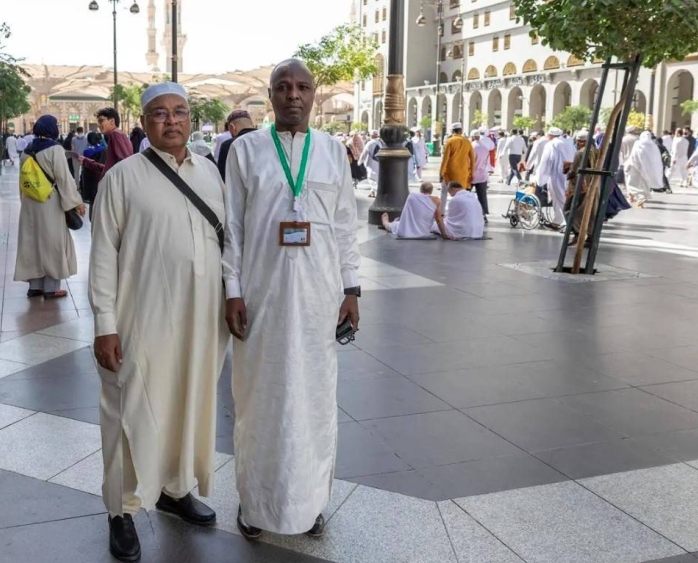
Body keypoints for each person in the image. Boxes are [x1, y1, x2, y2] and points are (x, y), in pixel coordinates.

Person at [89, 82, 229, 562]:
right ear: (144, 122)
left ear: (191, 119)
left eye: (180, 112)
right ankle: (121, 510)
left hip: (201, 318)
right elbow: (102, 255)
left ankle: (175, 486)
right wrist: (105, 324)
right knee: (129, 409)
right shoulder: (122, 178)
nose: (172, 121)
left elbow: (227, 241)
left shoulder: (209, 172)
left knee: (188, 401)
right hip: (141, 316)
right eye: (160, 113)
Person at [223, 59, 360, 540]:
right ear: (270, 96)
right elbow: (233, 228)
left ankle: (310, 503)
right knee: (259, 400)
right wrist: (233, 290)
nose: (293, 95)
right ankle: (255, 504)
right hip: (261, 297)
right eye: (283, 87)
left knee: (314, 401)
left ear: (314, 93)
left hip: (319, 298)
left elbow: (344, 224)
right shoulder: (245, 151)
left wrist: (351, 289)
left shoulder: (333, 151)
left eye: (302, 86)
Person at [14, 115, 85, 300]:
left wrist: (24, 201)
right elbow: (64, 178)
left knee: (33, 243)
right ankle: (51, 288)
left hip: (30, 203)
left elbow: (23, 180)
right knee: (52, 242)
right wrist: (76, 201)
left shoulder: (27, 150)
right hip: (49, 202)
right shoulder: (55, 149)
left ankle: (35, 286)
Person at [565, 129, 601, 242]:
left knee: (569, 210)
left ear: (582, 142)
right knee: (591, 212)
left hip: (581, 186)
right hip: (594, 184)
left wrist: (568, 171)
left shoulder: (580, 153)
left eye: (579, 141)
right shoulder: (596, 151)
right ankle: (590, 236)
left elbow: (575, 171)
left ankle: (577, 233)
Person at [81, 107, 134, 181]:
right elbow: (109, 168)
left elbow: (123, 164)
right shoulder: (120, 134)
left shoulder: (115, 134)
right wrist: (87, 162)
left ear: (112, 121)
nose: (98, 125)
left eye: (101, 121)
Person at [381, 182, 448, 239]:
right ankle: (395, 222)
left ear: (420, 189)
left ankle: (385, 222)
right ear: (431, 191)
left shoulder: (412, 196)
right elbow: (438, 219)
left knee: (392, 226)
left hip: (405, 232)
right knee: (397, 224)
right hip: (423, 234)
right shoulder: (437, 201)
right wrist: (444, 235)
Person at [536, 127, 568, 229]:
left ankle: (567, 224)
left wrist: (540, 178)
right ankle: (558, 221)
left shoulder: (551, 144)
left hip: (556, 175)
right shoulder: (568, 142)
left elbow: (545, 162)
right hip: (569, 174)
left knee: (560, 198)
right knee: (558, 199)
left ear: (550, 135)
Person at [439, 122, 475, 212]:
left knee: (444, 192)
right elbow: (472, 159)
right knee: (461, 193)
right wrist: (472, 173)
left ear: (452, 131)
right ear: (461, 131)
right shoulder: (467, 142)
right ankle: (461, 211)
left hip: (450, 172)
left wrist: (441, 173)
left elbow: (445, 159)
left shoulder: (449, 141)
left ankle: (442, 212)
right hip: (463, 172)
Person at [625, 131, 664, 208]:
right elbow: (657, 159)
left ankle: (639, 197)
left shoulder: (638, 144)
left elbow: (634, 155)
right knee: (644, 184)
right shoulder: (654, 146)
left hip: (635, 167)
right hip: (648, 169)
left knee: (632, 183)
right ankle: (640, 197)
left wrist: (628, 165)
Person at [217, 109, 258, 180]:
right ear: (252, 124)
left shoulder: (228, 145)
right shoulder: (268, 139)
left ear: (232, 127)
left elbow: (222, 177)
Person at [80, 131, 107, 213]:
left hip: (88, 178)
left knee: (92, 202)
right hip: (99, 177)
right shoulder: (103, 150)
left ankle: (92, 218)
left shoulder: (86, 151)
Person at [470, 129, 490, 222]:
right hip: (482, 175)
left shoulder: (471, 146)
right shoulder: (485, 147)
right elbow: (486, 162)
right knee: (482, 196)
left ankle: (467, 213)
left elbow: (469, 161)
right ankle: (483, 214)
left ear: (473, 137)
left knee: (466, 194)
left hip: (471, 175)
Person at [359, 130, 382, 196]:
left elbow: (364, 153)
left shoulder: (370, 143)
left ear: (371, 135)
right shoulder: (380, 143)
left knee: (371, 178)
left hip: (371, 164)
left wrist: (360, 162)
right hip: (379, 163)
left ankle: (378, 191)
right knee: (377, 179)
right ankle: (372, 192)